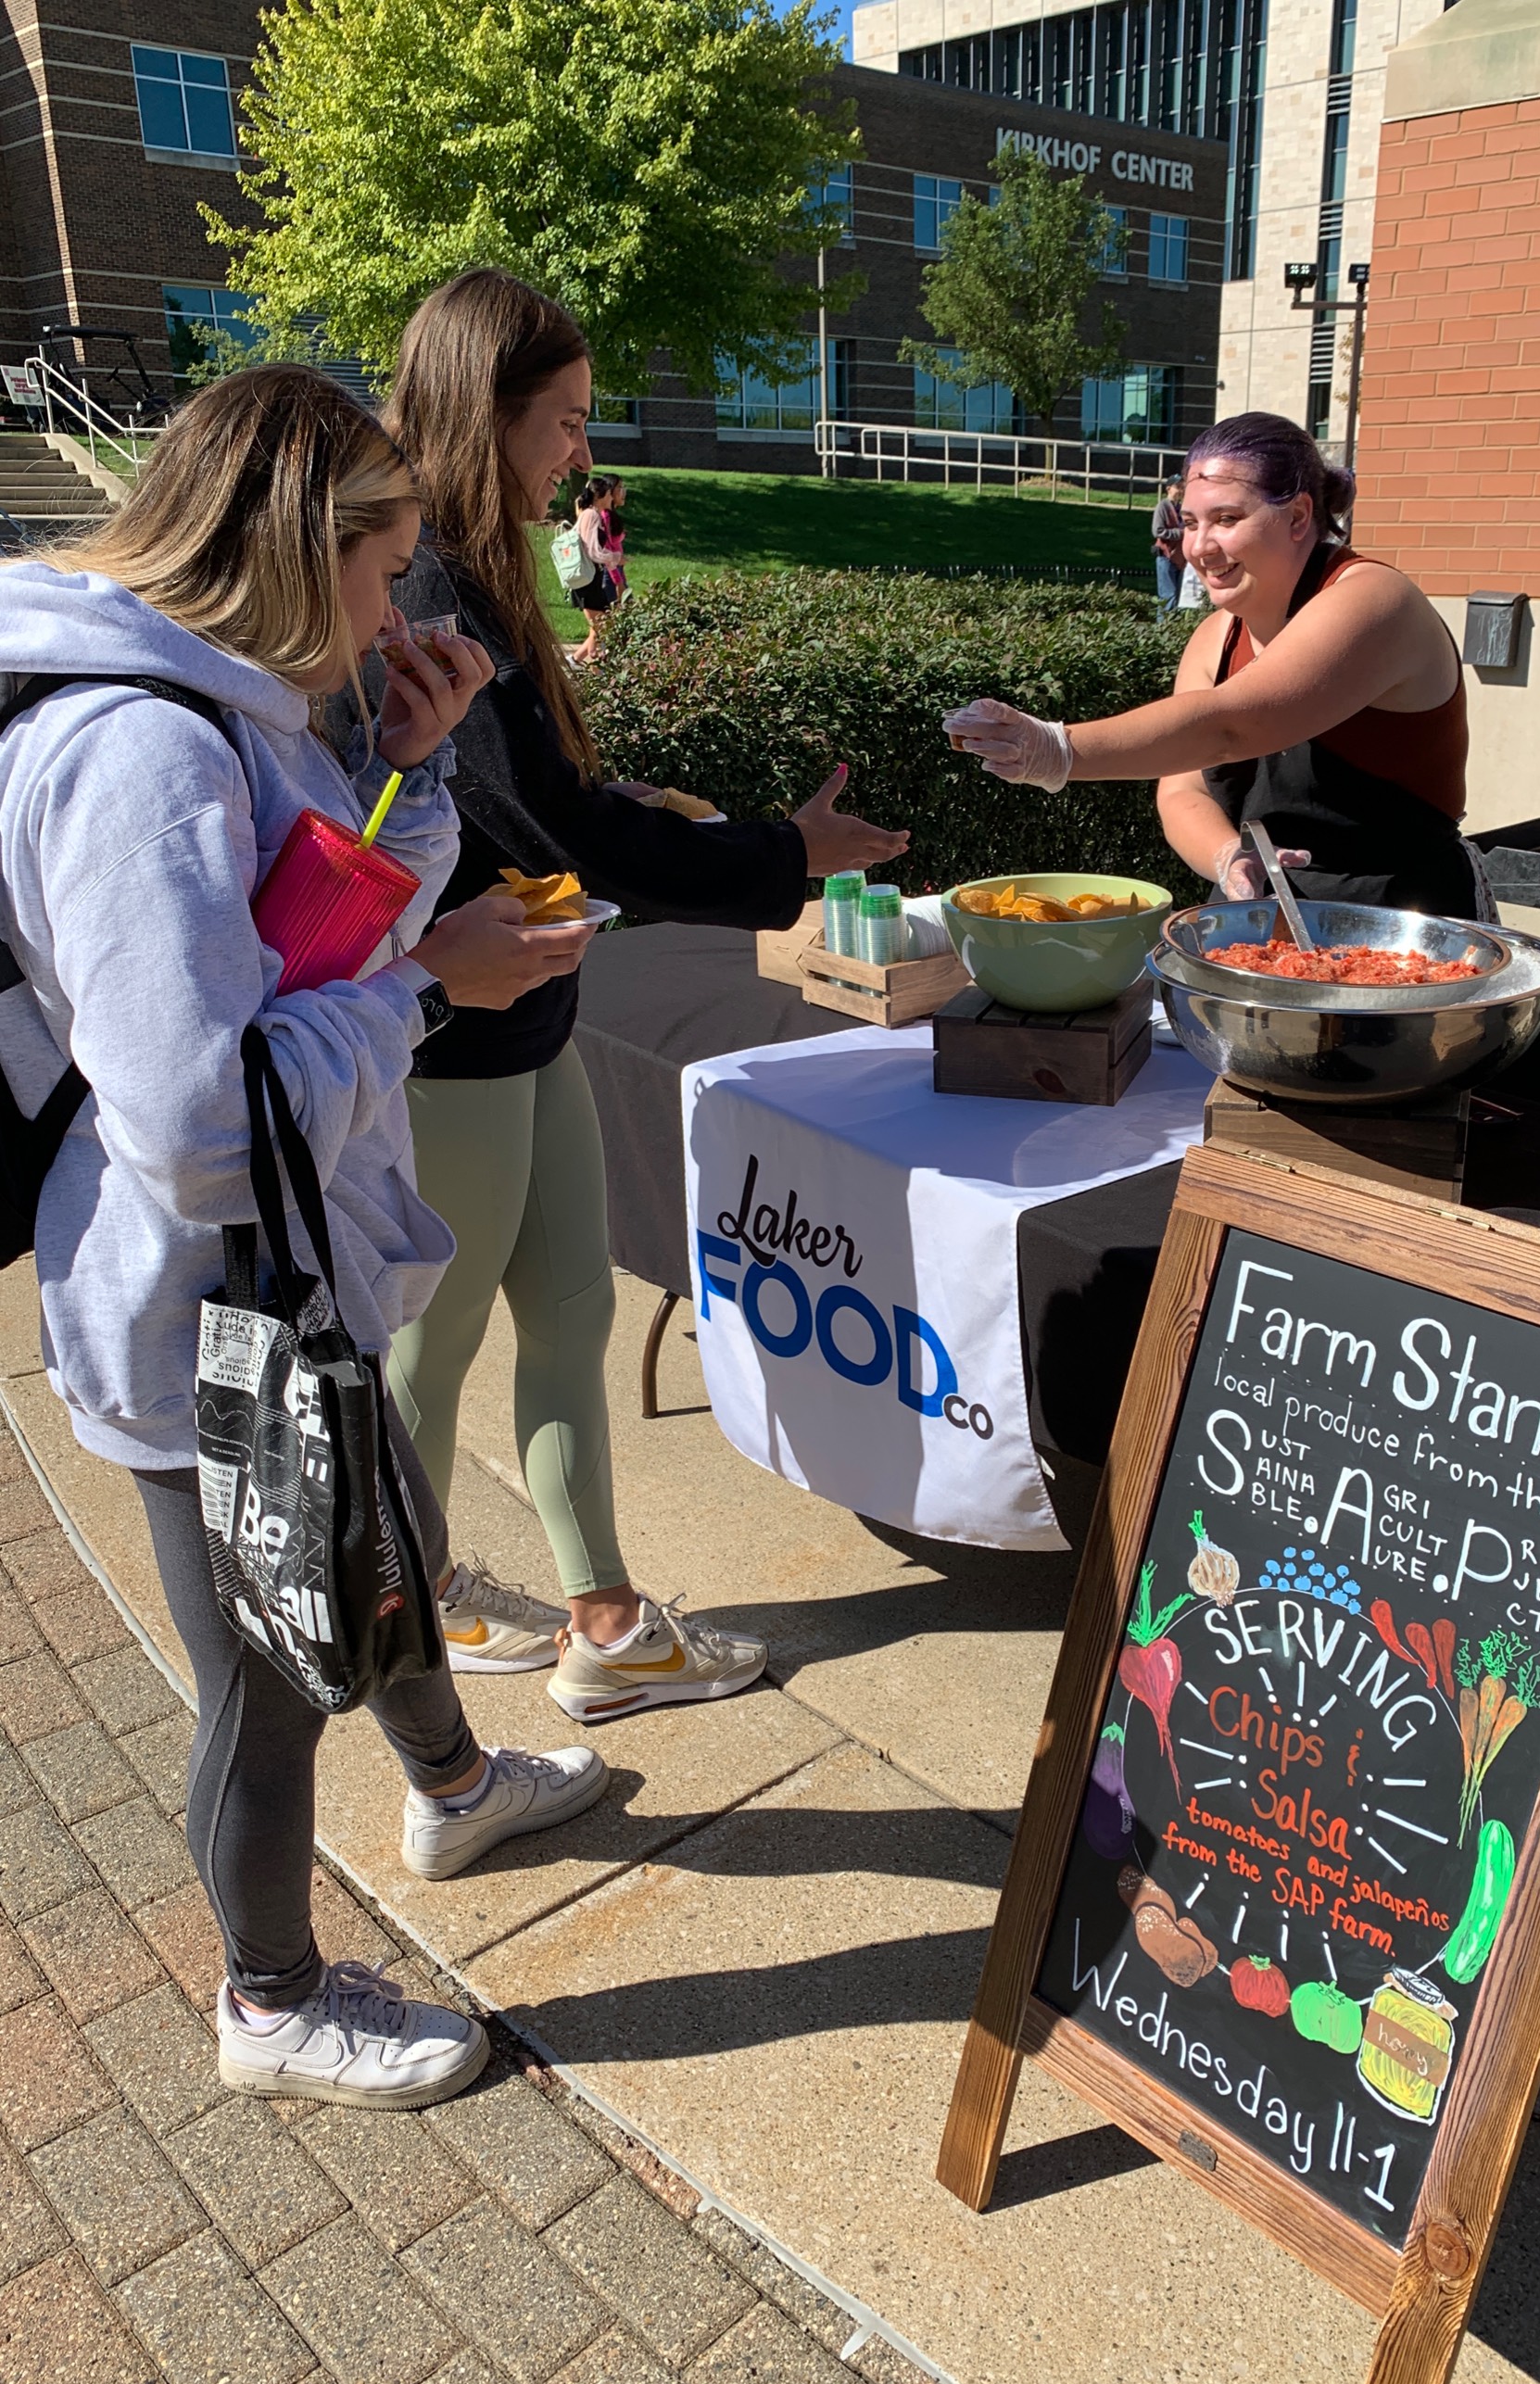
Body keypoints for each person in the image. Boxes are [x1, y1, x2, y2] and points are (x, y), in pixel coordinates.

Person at [0, 367, 614, 2107]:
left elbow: (305, 930)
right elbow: (200, 1131)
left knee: (389, 1533)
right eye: (385, 567)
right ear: (295, 543)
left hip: (281, 1285)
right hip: (201, 1313)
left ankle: (456, 1785)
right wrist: (434, 989)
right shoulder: (138, 752)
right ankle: (267, 1999)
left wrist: (408, 770)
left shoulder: (229, 706)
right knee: (267, 1689)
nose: (394, 610)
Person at [369, 268, 908, 1713]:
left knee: (569, 1310)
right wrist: (782, 853)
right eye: (566, 420)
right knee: (430, 1356)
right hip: (453, 1038)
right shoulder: (421, 582)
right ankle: (408, 1647)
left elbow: (543, 802)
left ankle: (606, 1622)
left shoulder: (479, 573)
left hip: (532, 1015)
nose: (584, 455)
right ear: (487, 413)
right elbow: (551, 832)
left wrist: (684, 824)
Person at [953, 413, 1475, 918]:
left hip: (1403, 919)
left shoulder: (1375, 598)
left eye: (1226, 519)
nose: (1200, 547)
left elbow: (1229, 725)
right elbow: (1183, 789)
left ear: (1297, 517)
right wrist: (1228, 856)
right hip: (1258, 917)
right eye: (1190, 523)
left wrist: (1057, 749)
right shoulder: (1214, 637)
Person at [564, 474, 625, 667]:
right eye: (608, 495)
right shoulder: (591, 515)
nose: (611, 499)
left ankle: (577, 662)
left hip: (591, 580)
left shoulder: (589, 513)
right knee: (601, 627)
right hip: (588, 581)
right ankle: (594, 670)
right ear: (600, 496)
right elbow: (592, 550)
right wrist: (615, 558)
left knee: (599, 628)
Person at [1153, 477, 1185, 613]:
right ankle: (1163, 628)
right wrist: (1180, 533)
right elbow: (1157, 531)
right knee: (1168, 597)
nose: (1181, 490)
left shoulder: (1181, 508)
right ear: (1168, 489)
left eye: (1183, 487)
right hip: (1165, 557)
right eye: (1178, 487)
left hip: (1179, 558)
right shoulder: (1163, 506)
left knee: (1177, 597)